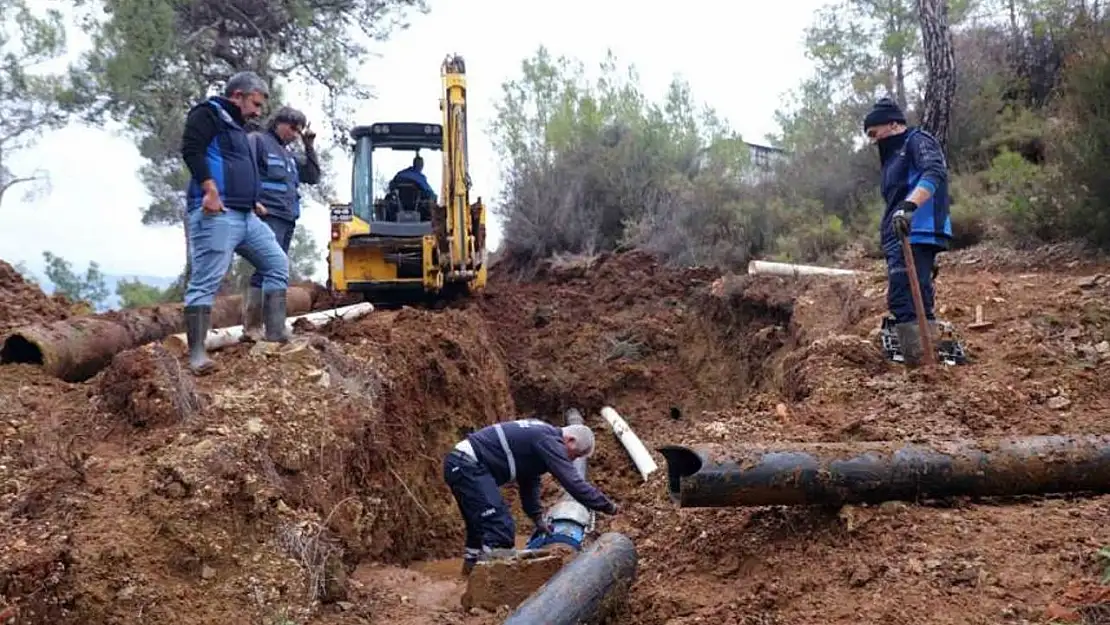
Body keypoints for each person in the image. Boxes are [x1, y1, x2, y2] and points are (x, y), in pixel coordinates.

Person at [180, 71, 291, 375]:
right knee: (207, 279)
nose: (258, 111)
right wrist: (209, 189)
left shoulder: (240, 128)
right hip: (217, 213)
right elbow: (191, 150)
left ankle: (276, 332)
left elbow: (237, 166)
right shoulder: (208, 114)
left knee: (277, 264)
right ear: (238, 95)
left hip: (245, 214)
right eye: (254, 103)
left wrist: (252, 197)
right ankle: (197, 354)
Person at [442, 419, 620, 576]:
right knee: (500, 527)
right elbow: (573, 483)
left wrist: (537, 519)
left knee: (479, 528)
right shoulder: (549, 440)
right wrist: (609, 507)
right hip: (469, 465)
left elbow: (529, 482)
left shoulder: (540, 436)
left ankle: (467, 577)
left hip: (460, 463)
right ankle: (491, 589)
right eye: (575, 456)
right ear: (570, 440)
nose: (572, 461)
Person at [864, 96, 953, 366]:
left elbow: (935, 171)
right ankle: (930, 358)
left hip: (916, 230)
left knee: (902, 297)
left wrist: (909, 207)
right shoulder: (892, 159)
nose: (873, 140)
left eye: (873, 132)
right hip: (899, 233)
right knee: (917, 296)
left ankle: (919, 365)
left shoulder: (917, 140)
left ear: (892, 125)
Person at [242, 106, 322, 340]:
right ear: (278, 123)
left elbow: (313, 176)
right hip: (268, 216)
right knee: (269, 267)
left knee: (273, 269)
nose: (295, 133)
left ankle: (265, 328)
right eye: (292, 127)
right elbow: (244, 171)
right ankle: (256, 328)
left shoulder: (288, 155)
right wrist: (251, 201)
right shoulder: (258, 142)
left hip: (287, 218)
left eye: (299, 130)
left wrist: (309, 146)